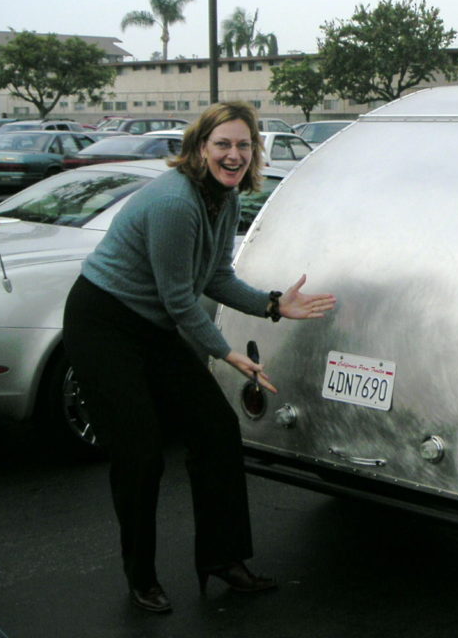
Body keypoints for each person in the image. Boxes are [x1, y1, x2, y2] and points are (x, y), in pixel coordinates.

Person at [62, 101, 335, 614]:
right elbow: (179, 298)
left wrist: (274, 304)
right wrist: (228, 353)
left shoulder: (224, 199)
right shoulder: (175, 203)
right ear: (199, 148)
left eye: (243, 145)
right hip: (103, 321)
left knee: (215, 430)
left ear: (254, 151)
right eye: (223, 145)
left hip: (152, 324)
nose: (234, 155)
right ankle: (140, 575)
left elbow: (214, 276)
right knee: (139, 453)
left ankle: (223, 559)